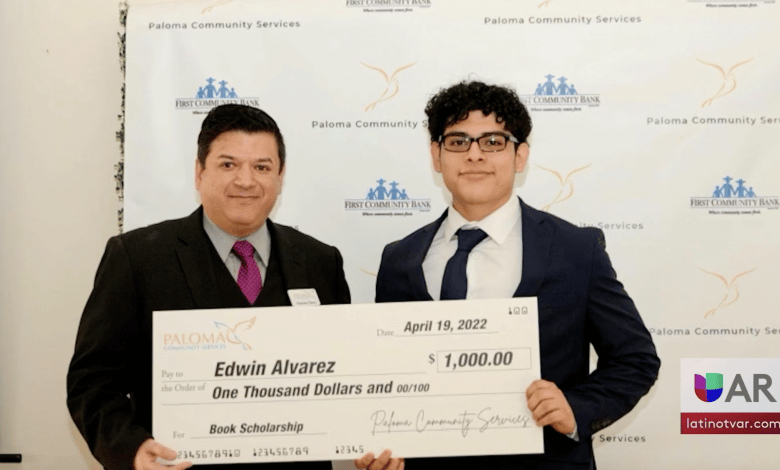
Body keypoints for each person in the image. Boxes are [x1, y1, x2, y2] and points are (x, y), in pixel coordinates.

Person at [359, 81, 660, 470]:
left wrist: (575, 408)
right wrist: (383, 449)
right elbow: (387, 374)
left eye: (493, 142)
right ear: (436, 155)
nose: (474, 154)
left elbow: (635, 359)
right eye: (458, 142)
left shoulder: (575, 250)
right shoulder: (399, 258)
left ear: (520, 156)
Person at [67, 104, 350, 470]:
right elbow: (93, 382)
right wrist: (131, 449)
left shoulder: (321, 262)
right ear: (199, 173)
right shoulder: (137, 258)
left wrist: (370, 437)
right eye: (228, 164)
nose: (246, 181)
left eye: (262, 167)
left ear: (280, 177)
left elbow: (345, 378)